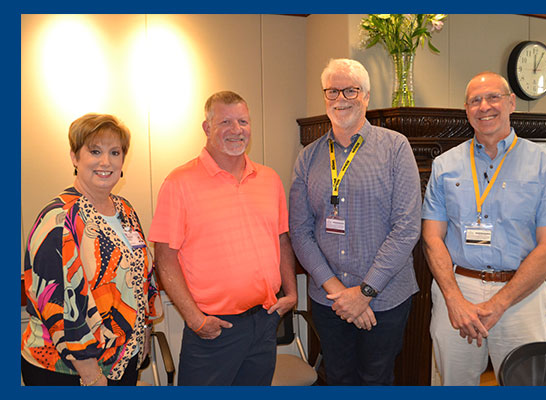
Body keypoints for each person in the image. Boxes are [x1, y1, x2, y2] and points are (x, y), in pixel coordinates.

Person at [421, 71, 546, 385]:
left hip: (522, 296)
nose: (484, 106)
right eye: (475, 100)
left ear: (511, 103)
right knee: (453, 383)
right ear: (466, 109)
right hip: (458, 290)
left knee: (525, 383)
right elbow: (431, 238)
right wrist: (454, 300)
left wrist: (498, 303)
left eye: (493, 97)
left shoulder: (545, 165)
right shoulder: (445, 165)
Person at [149, 91, 297, 386]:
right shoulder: (179, 183)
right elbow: (165, 259)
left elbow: (281, 240)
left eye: (243, 121)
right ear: (207, 128)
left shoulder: (269, 180)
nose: (236, 129)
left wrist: (291, 293)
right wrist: (195, 320)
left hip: (264, 320)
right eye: (225, 121)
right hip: (214, 329)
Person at [289, 58, 421, 385]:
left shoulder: (395, 148)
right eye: (332, 91)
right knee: (337, 377)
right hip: (329, 302)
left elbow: (406, 229)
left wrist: (363, 293)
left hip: (386, 299)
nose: (340, 98)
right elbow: (301, 232)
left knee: (376, 379)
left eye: (350, 90)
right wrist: (340, 293)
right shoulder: (308, 157)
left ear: (367, 96)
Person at [21, 113, 163, 386]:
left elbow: (142, 278)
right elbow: (59, 307)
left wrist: (143, 333)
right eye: (95, 151)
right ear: (75, 157)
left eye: (115, 152)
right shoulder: (59, 218)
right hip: (69, 370)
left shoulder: (125, 210)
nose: (105, 162)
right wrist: (90, 373)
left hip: (122, 359)